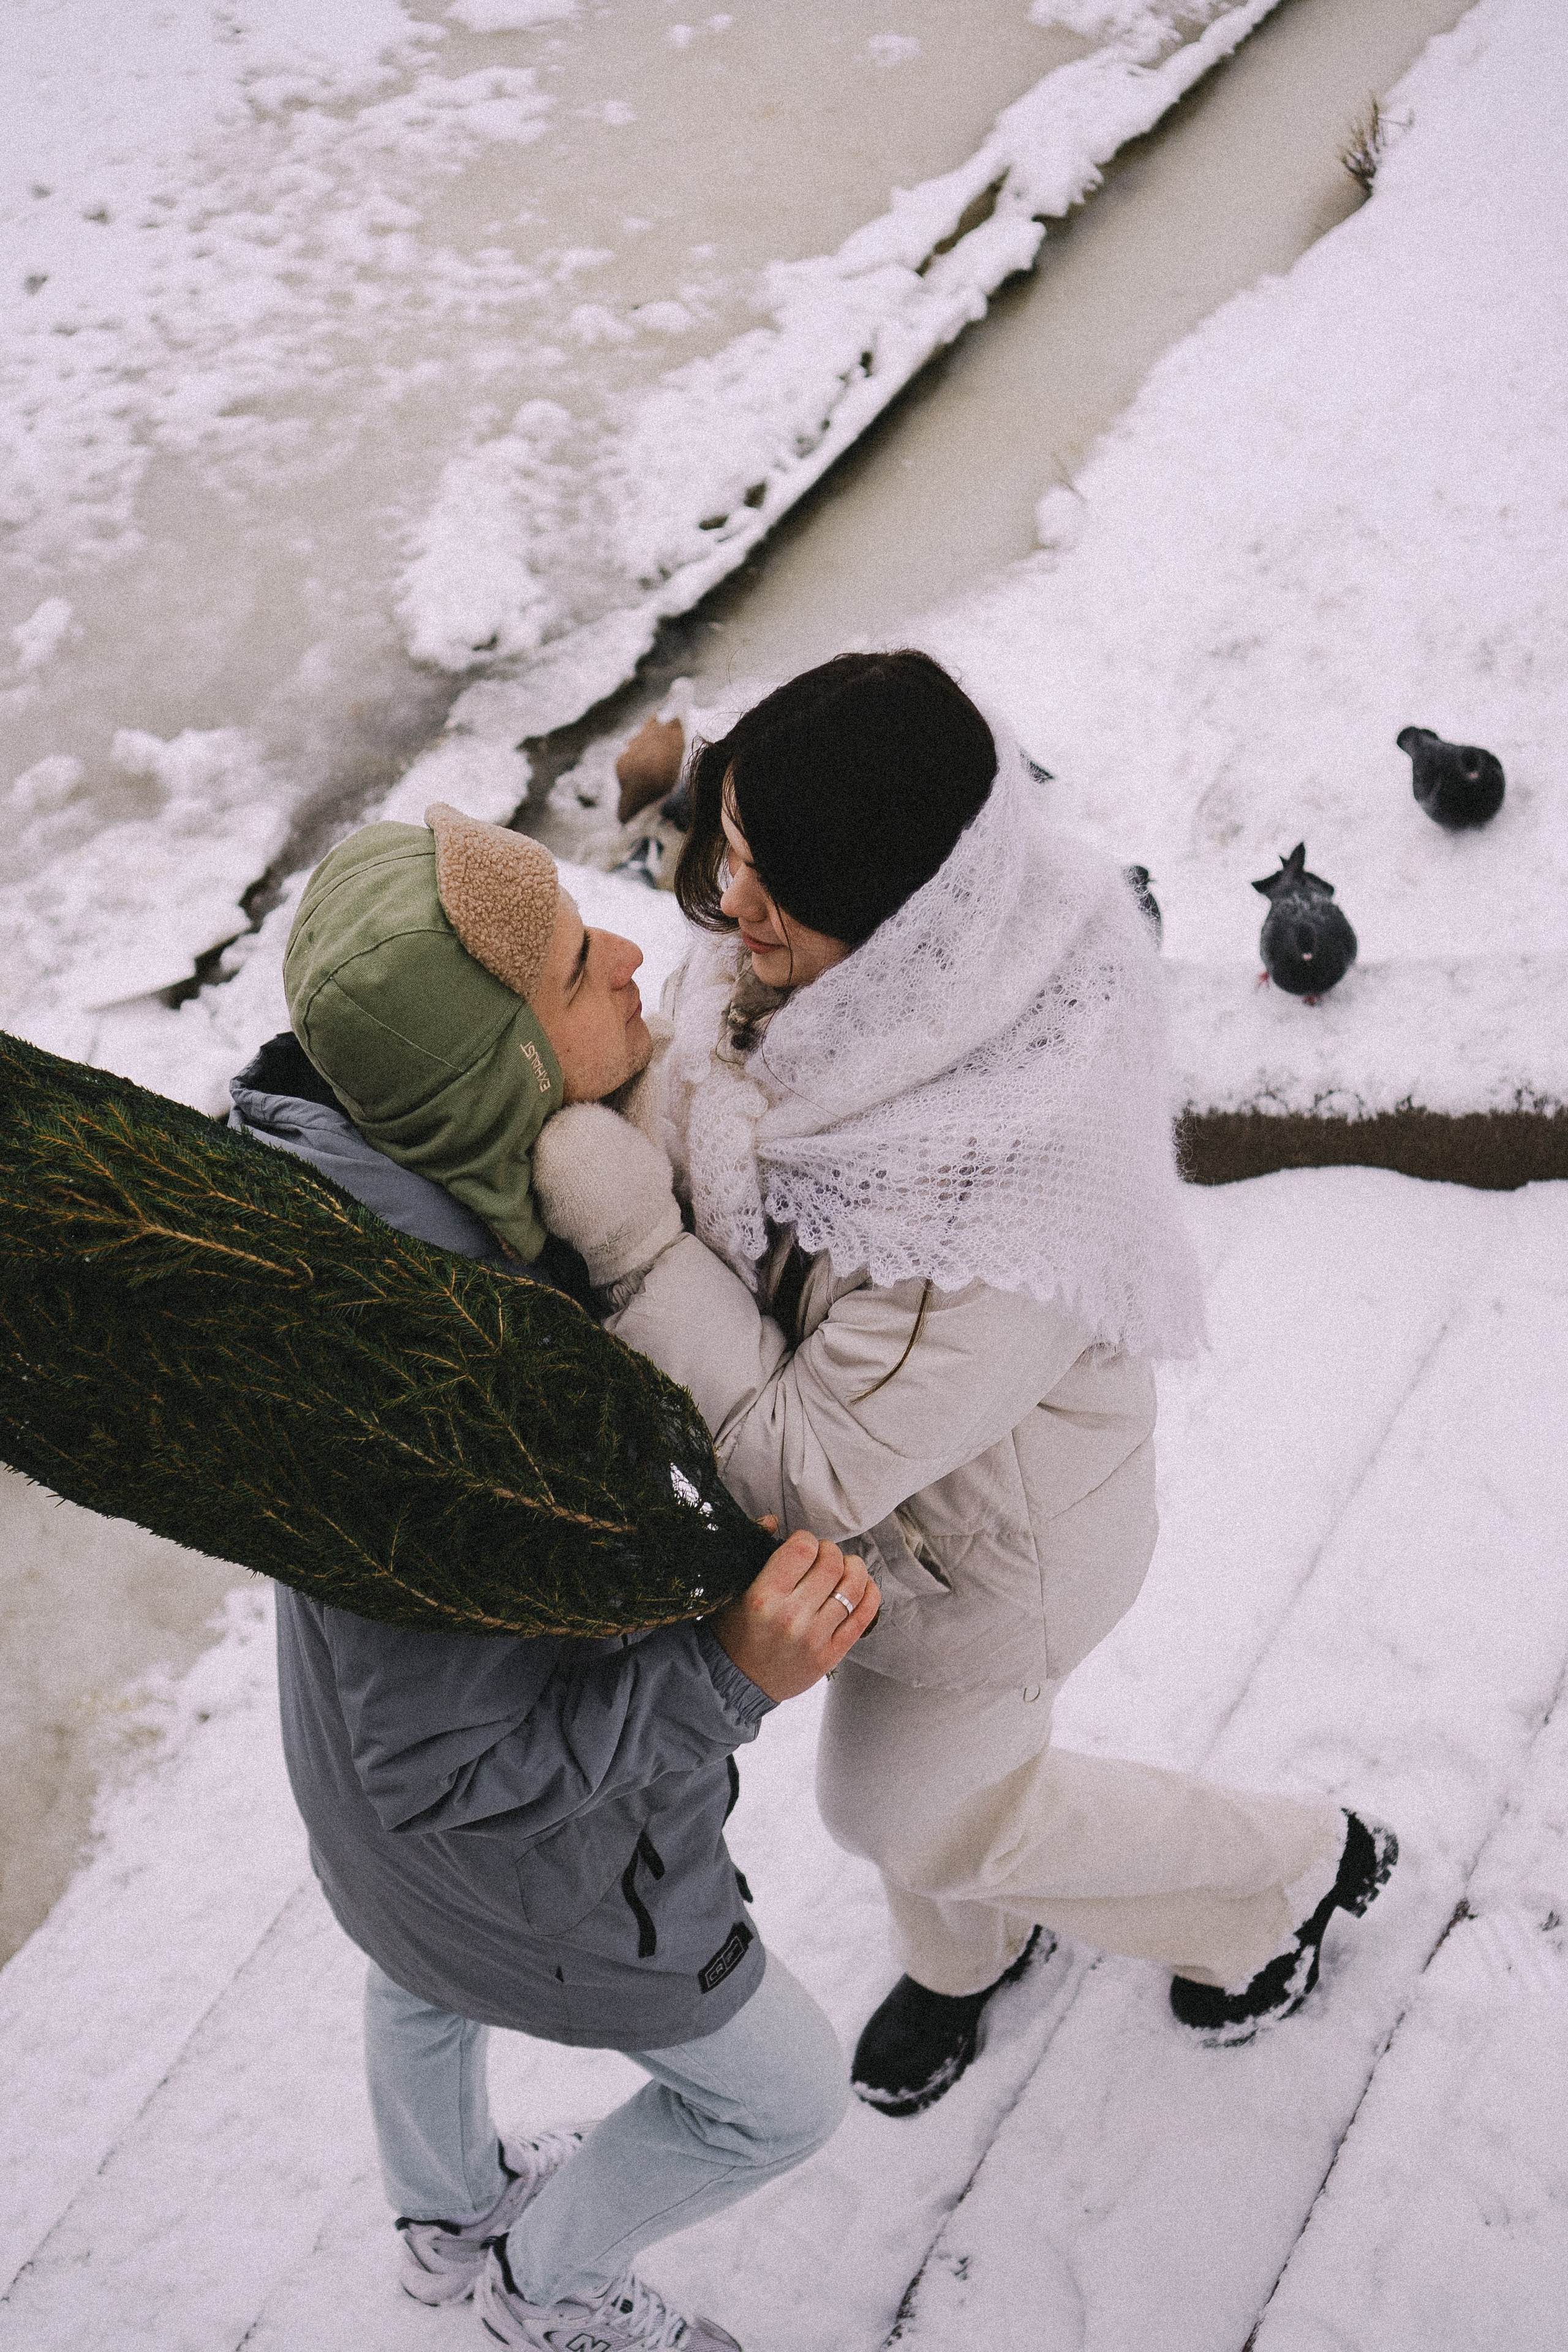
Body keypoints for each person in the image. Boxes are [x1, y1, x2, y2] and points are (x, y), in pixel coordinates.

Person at [532, 649, 1399, 2117]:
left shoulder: (986, 1183)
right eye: (731, 848)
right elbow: (712, 1099)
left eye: (781, 886)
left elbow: (814, 1463)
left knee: (899, 1806)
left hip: (995, 1560)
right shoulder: (820, 981)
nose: (731, 904)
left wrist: (627, 1245)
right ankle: (967, 1956)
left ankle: (1282, 1879)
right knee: (941, 1800)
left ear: (909, 924)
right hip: (903, 1535)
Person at [228, 801, 878, 2352]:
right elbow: (450, 1770)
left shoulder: (333, 1219)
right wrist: (727, 1672)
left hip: (376, 1853)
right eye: (584, 970)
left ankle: (444, 2218)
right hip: (534, 1874)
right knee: (783, 2101)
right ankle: (545, 2290)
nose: (636, 955)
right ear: (499, 1078)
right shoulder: (447, 1388)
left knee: (415, 1975)